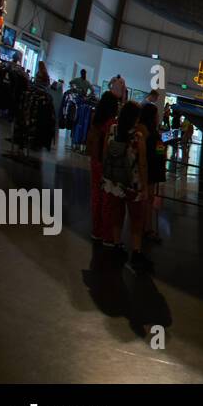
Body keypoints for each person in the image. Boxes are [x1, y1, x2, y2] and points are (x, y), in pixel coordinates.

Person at [101, 101, 151, 272]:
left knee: (117, 214)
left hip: (114, 181)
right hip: (132, 184)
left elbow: (104, 153)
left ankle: (117, 245)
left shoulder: (113, 129)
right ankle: (136, 252)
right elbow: (142, 164)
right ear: (134, 118)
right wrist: (144, 186)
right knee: (136, 219)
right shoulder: (137, 137)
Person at [86, 84, 123, 243]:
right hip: (106, 165)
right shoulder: (112, 124)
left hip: (95, 162)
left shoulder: (96, 120)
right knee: (107, 200)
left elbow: (90, 141)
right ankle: (106, 235)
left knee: (96, 197)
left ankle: (96, 230)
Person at [139, 102, 165, 244]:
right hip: (151, 170)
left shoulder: (140, 130)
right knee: (148, 199)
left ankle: (141, 226)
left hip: (142, 169)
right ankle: (147, 228)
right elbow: (159, 152)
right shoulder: (154, 135)